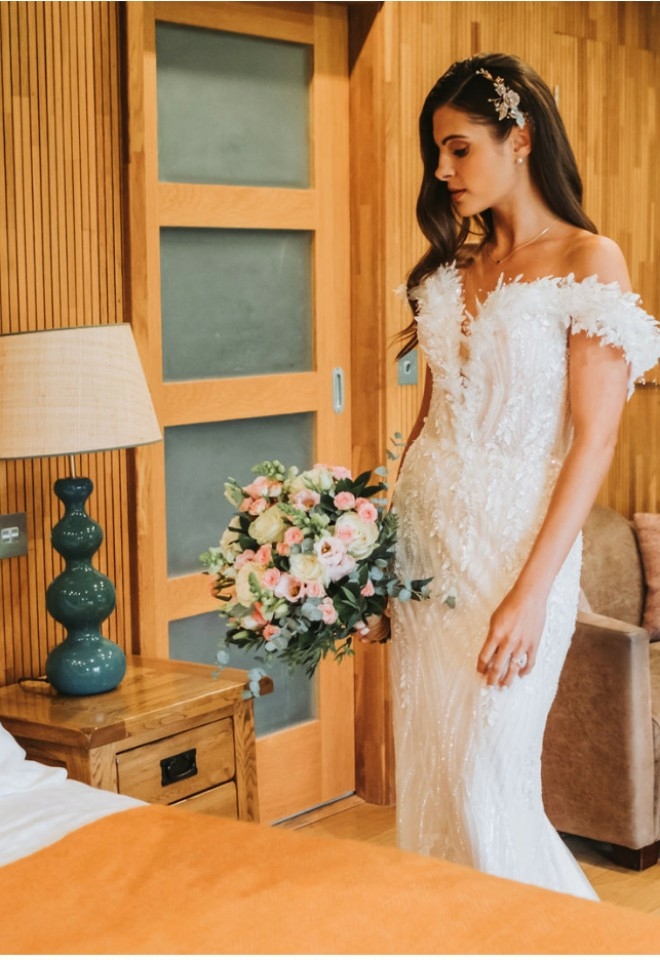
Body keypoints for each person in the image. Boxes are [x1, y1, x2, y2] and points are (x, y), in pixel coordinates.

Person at [379, 53, 660, 899]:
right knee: (434, 781)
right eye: (436, 152)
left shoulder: (587, 258)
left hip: (515, 556)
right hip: (425, 555)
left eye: (459, 148)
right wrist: (375, 564)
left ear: (521, 138)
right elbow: (426, 425)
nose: (442, 170)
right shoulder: (449, 269)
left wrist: (533, 593)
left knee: (486, 785)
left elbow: (595, 441)